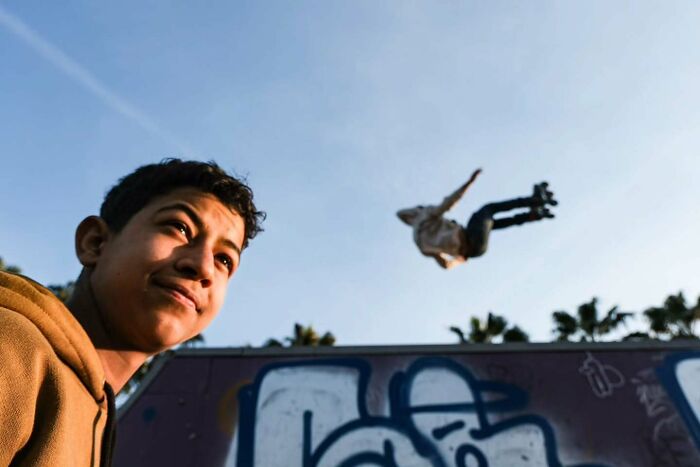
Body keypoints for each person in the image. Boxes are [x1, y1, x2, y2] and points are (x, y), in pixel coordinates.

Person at [0, 159, 264, 466]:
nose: (203, 267)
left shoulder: (93, 420)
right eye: (179, 227)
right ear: (95, 243)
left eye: (224, 260)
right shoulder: (14, 346)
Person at [397, 168, 557, 269]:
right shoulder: (424, 215)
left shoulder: (421, 245)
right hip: (470, 237)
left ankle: (532, 215)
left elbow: (445, 264)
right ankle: (535, 200)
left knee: (490, 223)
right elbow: (448, 203)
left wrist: (460, 260)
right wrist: (470, 182)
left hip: (476, 251)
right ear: (416, 212)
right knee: (488, 209)